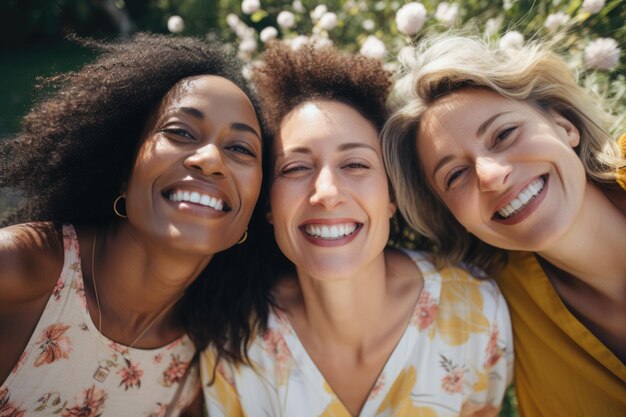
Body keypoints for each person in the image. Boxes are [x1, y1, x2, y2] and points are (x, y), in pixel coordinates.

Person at [201, 41, 513, 417]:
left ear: (392, 196)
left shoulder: (474, 308)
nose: (327, 193)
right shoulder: (233, 341)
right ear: (268, 203)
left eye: (356, 165)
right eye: (296, 168)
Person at [0, 33, 275, 416]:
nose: (211, 158)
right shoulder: (18, 272)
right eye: (180, 132)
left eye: (241, 149)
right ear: (123, 167)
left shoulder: (196, 366)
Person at [381, 34, 626, 417]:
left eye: (504, 134)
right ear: (455, 218)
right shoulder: (489, 304)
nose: (491, 176)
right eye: (456, 175)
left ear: (564, 125)